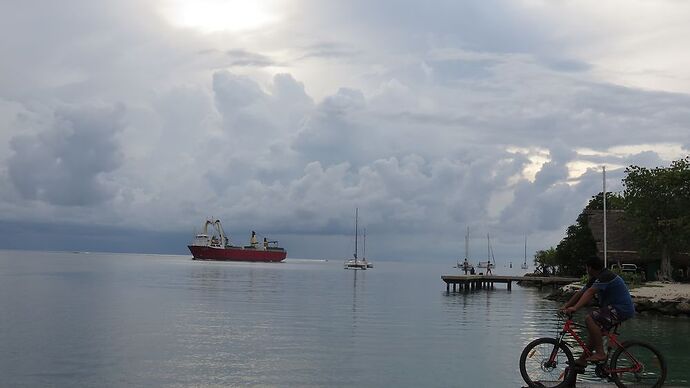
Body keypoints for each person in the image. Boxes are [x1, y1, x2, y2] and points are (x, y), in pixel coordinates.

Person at [560, 256, 635, 367]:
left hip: (621, 308)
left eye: (586, 268)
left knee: (589, 319)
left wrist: (575, 308)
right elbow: (581, 292)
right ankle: (582, 360)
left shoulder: (606, 276)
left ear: (589, 268)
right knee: (594, 332)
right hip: (615, 308)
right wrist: (566, 306)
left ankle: (600, 353)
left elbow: (590, 292)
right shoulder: (597, 277)